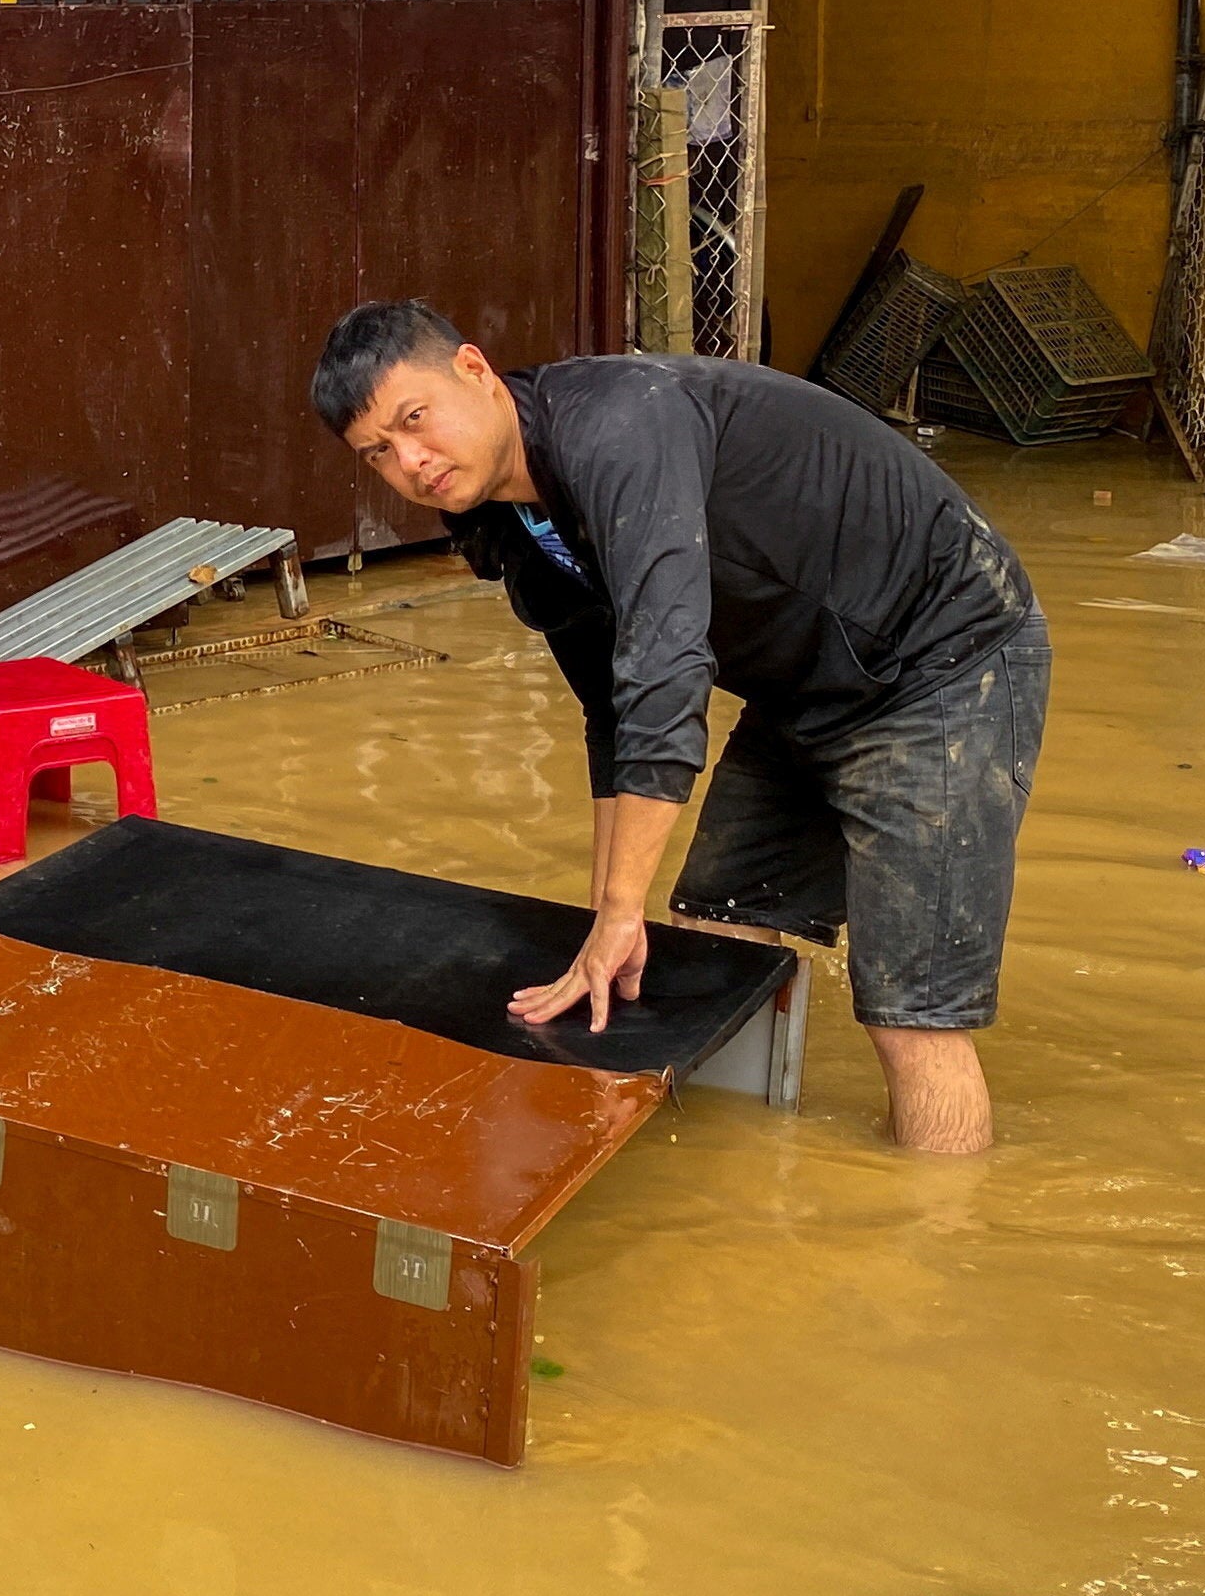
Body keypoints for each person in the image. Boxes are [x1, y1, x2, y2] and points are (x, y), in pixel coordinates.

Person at [310, 301, 1046, 1156]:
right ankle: (747, 1192)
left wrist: (626, 907)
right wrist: (604, 918)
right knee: (716, 948)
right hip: (807, 685)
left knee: (911, 1015)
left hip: (944, 657)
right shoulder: (503, 518)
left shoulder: (619, 428)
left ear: (473, 369)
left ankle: (937, 1242)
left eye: (414, 419)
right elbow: (614, 707)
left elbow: (668, 672)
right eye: (379, 453)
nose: (411, 461)